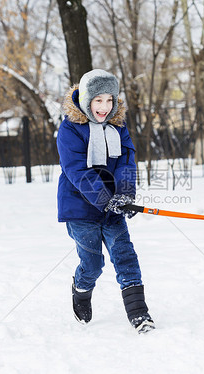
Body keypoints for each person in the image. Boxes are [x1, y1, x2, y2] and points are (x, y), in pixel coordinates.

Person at [56, 69, 155, 333]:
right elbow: (76, 170)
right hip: (79, 207)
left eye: (109, 100)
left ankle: (139, 314)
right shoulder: (70, 129)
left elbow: (126, 162)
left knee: (125, 257)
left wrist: (124, 196)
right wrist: (104, 199)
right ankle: (81, 289)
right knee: (92, 264)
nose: (104, 107)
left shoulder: (118, 127)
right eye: (98, 100)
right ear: (86, 99)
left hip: (112, 208)